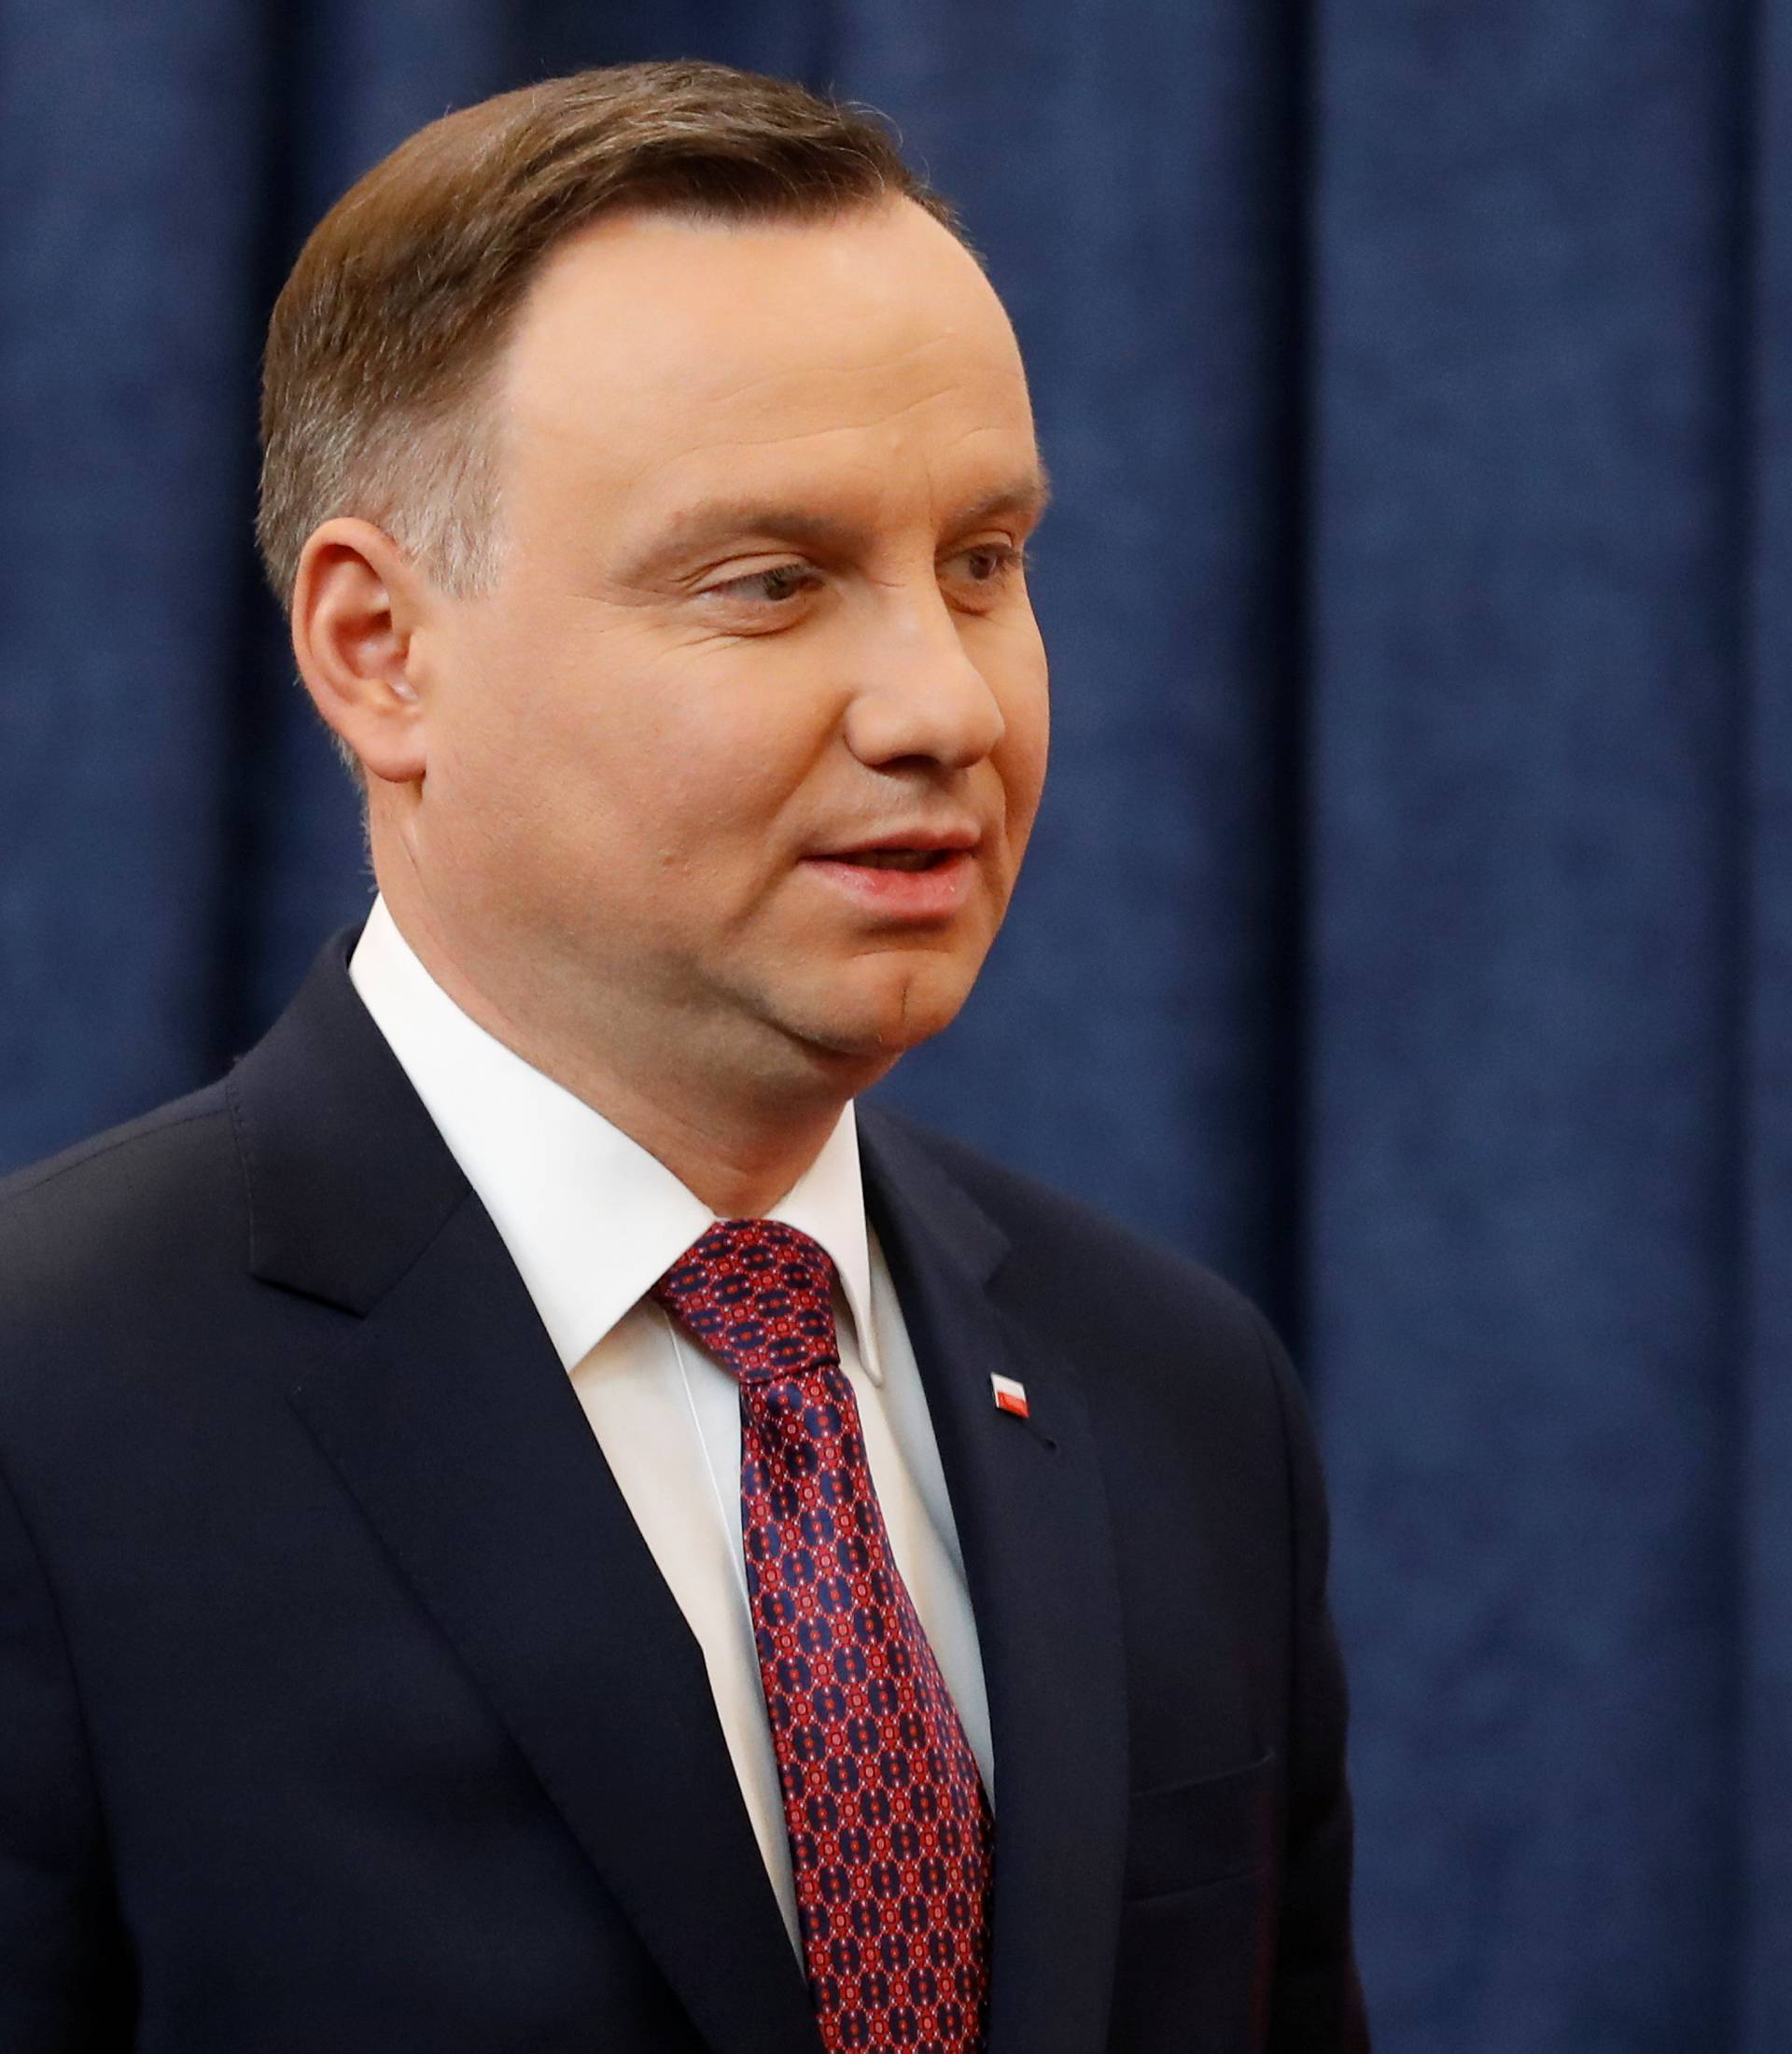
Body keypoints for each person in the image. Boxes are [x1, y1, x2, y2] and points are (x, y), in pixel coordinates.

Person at [0, 59, 1369, 2054]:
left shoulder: (1174, 1395)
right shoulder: (46, 1422)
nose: (940, 705)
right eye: (772, 583)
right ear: (380, 649)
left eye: (985, 562)